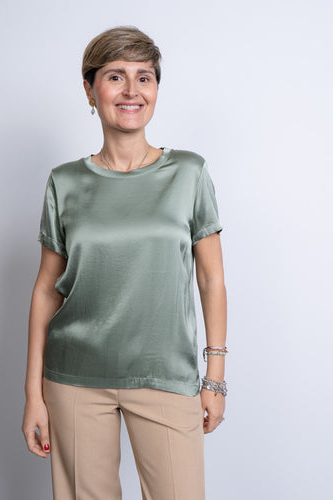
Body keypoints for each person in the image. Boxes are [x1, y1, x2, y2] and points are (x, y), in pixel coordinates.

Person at [22, 25, 228, 500]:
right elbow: (47, 290)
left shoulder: (188, 173)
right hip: (74, 379)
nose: (132, 90)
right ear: (90, 89)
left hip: (165, 374)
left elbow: (211, 277)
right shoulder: (64, 183)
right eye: (116, 76)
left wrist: (214, 377)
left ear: (156, 88)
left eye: (144, 77)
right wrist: (34, 394)